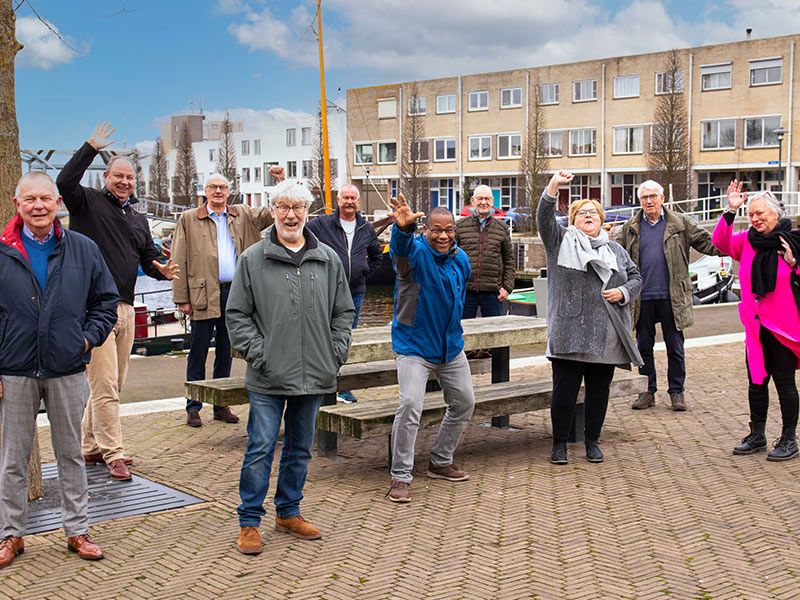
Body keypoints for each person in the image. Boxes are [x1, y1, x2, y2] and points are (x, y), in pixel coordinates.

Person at [226, 179, 354, 555]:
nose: (291, 214)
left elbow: (343, 311)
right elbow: (237, 315)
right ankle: (249, 521)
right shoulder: (253, 258)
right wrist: (259, 353)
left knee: (300, 449)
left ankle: (288, 511)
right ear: (273, 211)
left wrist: (335, 351)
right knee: (261, 447)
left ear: (308, 212)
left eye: (298, 207)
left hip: (314, 373)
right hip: (268, 375)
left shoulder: (327, 259)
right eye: (283, 206)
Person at [0, 172, 118, 568]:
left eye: (45, 199)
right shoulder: (2, 251)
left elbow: (105, 301)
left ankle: (77, 530)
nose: (38, 206)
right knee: (12, 457)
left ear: (57, 203)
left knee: (70, 454)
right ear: (18, 205)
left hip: (66, 367)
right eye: (30, 199)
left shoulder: (83, 250)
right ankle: (11, 534)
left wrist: (85, 340)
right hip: (13, 369)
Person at [56, 123, 179, 481]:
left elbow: (147, 259)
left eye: (129, 177)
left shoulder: (139, 219)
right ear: (106, 177)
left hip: (125, 307)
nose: (124, 182)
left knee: (113, 384)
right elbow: (64, 182)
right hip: (92, 308)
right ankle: (115, 454)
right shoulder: (86, 203)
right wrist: (90, 147)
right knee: (106, 384)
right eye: (118, 176)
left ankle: (91, 446)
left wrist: (163, 272)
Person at [537, 171, 643, 465]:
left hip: (606, 333)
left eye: (593, 213)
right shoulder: (559, 242)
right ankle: (559, 444)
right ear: (572, 220)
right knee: (564, 392)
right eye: (581, 213)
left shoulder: (615, 249)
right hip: (569, 330)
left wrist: (623, 291)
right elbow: (543, 217)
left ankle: (592, 441)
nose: (587, 216)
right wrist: (553, 187)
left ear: (601, 220)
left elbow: (636, 278)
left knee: (598, 392)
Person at [385, 194, 476, 503]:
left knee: (464, 401)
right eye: (436, 229)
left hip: (450, 347)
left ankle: (440, 460)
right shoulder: (415, 253)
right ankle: (400, 476)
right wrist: (401, 230)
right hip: (413, 346)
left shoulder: (461, 259)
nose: (443, 236)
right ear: (426, 230)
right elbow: (399, 253)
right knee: (411, 404)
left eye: (449, 229)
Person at [172, 171, 279, 427]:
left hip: (235, 293)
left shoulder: (241, 214)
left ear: (228, 191)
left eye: (222, 187)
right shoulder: (189, 219)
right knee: (197, 351)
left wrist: (279, 183)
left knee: (226, 350)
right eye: (213, 187)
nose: (218, 191)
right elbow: (178, 259)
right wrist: (181, 299)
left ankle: (220, 404)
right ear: (205, 192)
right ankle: (193, 405)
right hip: (202, 292)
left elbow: (270, 213)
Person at [713, 182, 800, 461]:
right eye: (750, 214)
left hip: (784, 327)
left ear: (776, 213)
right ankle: (757, 434)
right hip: (755, 326)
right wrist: (730, 210)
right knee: (756, 381)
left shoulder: (794, 240)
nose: (755, 219)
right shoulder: (745, 240)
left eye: (760, 213)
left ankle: (788, 439)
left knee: (784, 382)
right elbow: (720, 243)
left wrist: (794, 263)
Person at [619, 180, 720, 412]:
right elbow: (616, 258)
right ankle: (648, 391)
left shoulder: (681, 223)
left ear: (662, 198)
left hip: (672, 295)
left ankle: (677, 392)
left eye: (653, 196)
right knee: (643, 346)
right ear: (639, 201)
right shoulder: (630, 228)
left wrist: (737, 245)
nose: (649, 201)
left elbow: (709, 243)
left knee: (675, 346)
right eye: (644, 197)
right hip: (642, 296)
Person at [305, 184, 383, 403]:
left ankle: (342, 386)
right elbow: (300, 235)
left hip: (355, 292)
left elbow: (377, 256)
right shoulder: (322, 224)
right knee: (323, 335)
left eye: (353, 198)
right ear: (338, 200)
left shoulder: (365, 228)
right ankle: (323, 384)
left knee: (347, 337)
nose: (349, 201)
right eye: (345, 197)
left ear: (357, 202)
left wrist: (363, 273)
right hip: (327, 290)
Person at [455, 184, 515, 322]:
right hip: (466, 291)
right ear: (473, 200)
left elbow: (509, 260)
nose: (483, 202)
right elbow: (451, 258)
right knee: (463, 331)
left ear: (492, 202)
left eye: (487, 199)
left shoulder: (502, 228)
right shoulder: (460, 226)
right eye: (480, 198)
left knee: (495, 335)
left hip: (493, 292)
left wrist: (507, 288)